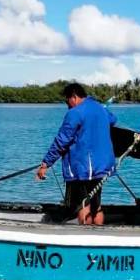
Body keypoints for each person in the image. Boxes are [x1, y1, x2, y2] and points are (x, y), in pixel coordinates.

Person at [36, 83, 117, 225]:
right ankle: (97, 238)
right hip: (103, 165)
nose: (67, 105)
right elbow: (113, 119)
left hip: (84, 168)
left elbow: (62, 140)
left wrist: (45, 163)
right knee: (96, 204)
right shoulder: (100, 109)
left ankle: (85, 240)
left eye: (67, 101)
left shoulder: (75, 113)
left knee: (83, 204)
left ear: (74, 97)